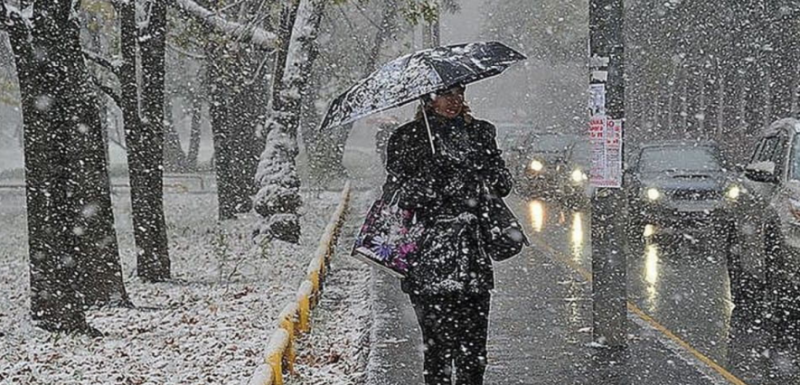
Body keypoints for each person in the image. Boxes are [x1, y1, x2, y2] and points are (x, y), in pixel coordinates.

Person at [382, 84, 513, 385]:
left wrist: (483, 170)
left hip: (472, 256)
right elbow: (395, 196)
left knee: (473, 354)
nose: (453, 101)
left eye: (458, 93)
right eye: (444, 94)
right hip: (428, 256)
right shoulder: (408, 138)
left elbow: (503, 184)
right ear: (428, 99)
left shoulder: (480, 133)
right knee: (438, 351)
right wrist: (431, 177)